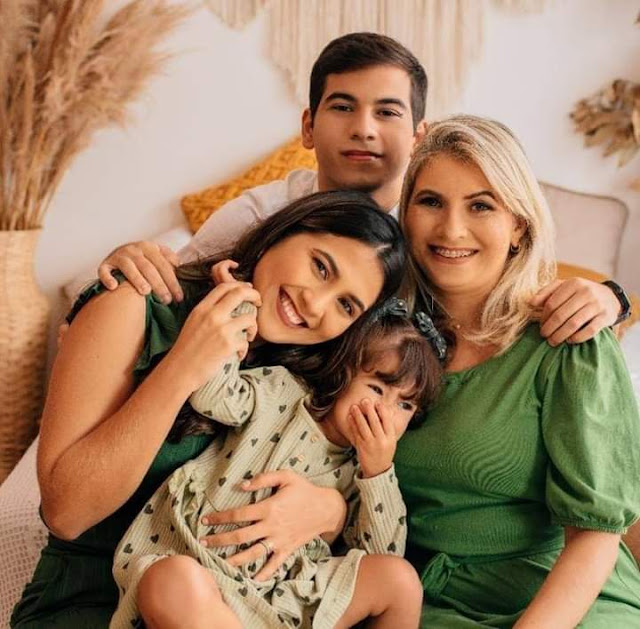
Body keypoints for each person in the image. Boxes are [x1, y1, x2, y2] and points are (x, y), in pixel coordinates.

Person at [11, 191, 407, 628]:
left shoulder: (303, 378)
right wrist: (185, 365)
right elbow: (66, 514)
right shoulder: (135, 301)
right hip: (93, 603)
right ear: (284, 231)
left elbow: (349, 537)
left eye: (345, 305)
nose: (315, 305)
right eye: (320, 267)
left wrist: (330, 511)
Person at [96, 32, 625, 347]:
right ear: (308, 127)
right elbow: (168, 295)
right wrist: (128, 268)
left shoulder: (435, 231)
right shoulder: (262, 213)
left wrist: (611, 298)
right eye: (343, 106)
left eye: (387, 112)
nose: (364, 129)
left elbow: (514, 286)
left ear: (418, 137)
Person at [393, 115, 640, 627]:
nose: (451, 229)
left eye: (481, 205)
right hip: (430, 603)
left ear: (518, 225)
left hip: (564, 600)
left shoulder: (568, 336)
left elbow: (595, 534)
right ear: (405, 216)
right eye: (431, 201)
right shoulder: (377, 338)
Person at [109, 288, 442, 629]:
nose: (385, 412)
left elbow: (383, 554)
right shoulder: (282, 392)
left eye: (405, 405)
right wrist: (237, 306)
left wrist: (378, 471)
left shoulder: (362, 476)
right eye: (376, 389)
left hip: (287, 598)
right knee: (168, 580)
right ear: (343, 374)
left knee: (400, 581)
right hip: (201, 568)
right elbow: (211, 395)